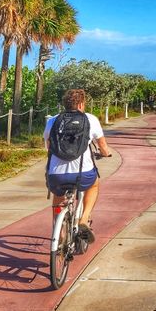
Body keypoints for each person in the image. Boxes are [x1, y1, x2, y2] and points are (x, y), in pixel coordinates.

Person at [44, 89, 112, 242]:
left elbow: (48, 147)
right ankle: (83, 219)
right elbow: (103, 147)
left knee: (58, 196)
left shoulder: (52, 121)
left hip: (56, 175)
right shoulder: (90, 119)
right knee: (94, 185)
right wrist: (105, 153)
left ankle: (59, 233)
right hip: (83, 175)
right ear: (81, 104)